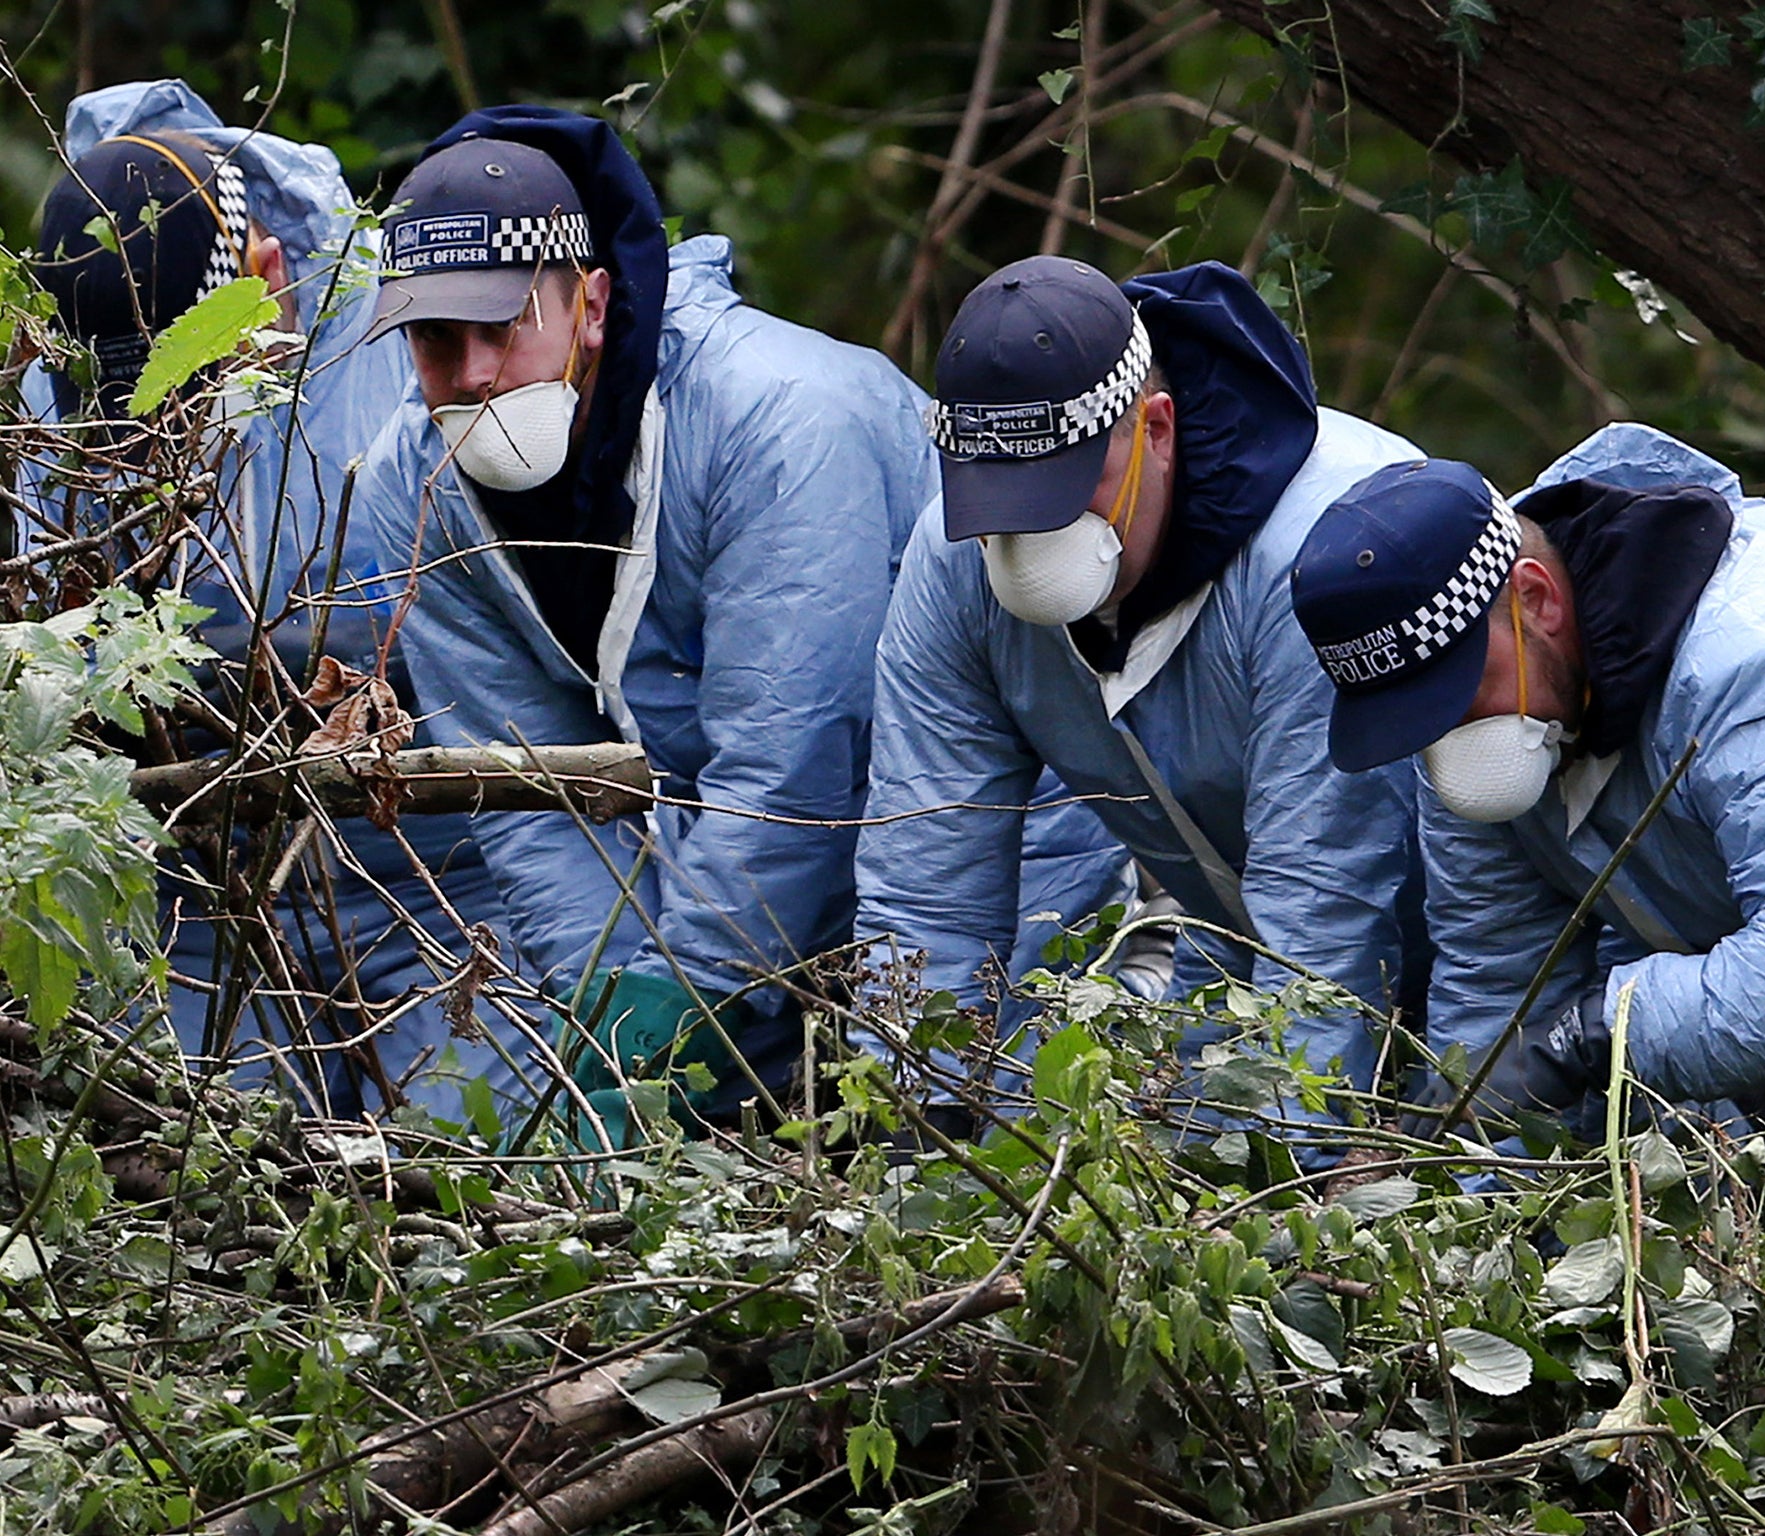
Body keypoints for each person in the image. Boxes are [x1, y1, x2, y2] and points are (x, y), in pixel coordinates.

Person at [355, 106, 1040, 1145]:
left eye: (498, 328)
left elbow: (790, 758)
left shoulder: (778, 420)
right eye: (431, 341)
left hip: (993, 857)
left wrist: (685, 1000)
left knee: (963, 1155)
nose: (470, 375)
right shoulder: (413, 482)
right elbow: (529, 787)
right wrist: (610, 1006)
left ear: (589, 304)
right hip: (758, 896)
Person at [1290, 421, 1765, 1249]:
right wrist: (1483, 1219)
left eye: (1455, 692)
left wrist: (1603, 1033)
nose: (1447, 738)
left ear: (1535, 598)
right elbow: (1497, 981)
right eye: (1415, 716)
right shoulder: (1493, 730)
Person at [851, 256, 1430, 1149]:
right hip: (1235, 947)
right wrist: (910, 1116)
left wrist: (1288, 1163)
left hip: (1457, 959)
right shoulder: (957, 561)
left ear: (1155, 429)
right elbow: (928, 873)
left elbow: (1325, 897)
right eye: (1001, 498)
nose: (1027, 533)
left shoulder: (1325, 551)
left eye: (1055, 492)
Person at [24, 79, 512, 1123]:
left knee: (464, 1164)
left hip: (435, 870)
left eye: (183, 388)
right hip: (191, 877)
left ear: (266, 276)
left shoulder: (407, 344)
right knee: (201, 1183)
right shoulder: (55, 388)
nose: (156, 431)